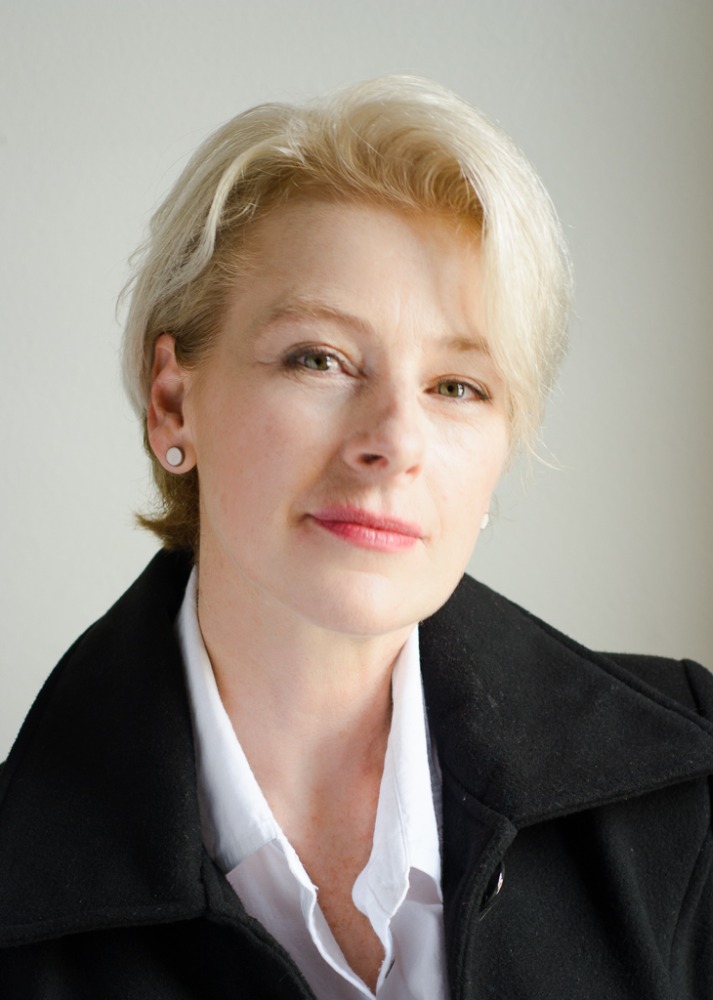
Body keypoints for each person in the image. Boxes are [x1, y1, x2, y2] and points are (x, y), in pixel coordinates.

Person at [0, 76, 711, 1000]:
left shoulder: (689, 793)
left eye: (457, 387)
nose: (394, 441)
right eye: (320, 359)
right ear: (173, 400)